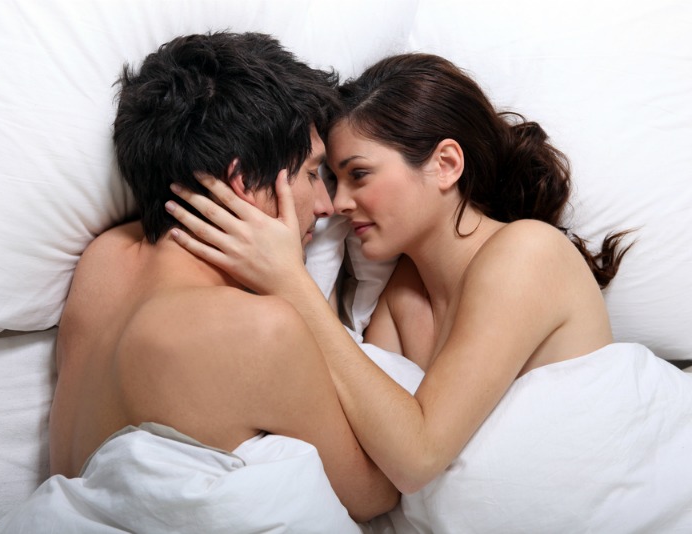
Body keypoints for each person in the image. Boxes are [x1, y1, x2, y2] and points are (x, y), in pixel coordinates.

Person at [166, 52, 692, 531]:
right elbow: (373, 450)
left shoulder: (527, 253)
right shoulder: (398, 300)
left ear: (445, 165)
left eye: (359, 175)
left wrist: (291, 283)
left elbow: (416, 458)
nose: (339, 203)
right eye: (330, 179)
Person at [47, 31, 398, 525]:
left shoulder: (101, 261)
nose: (324, 205)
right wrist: (293, 284)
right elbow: (374, 495)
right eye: (311, 173)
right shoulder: (259, 330)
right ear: (242, 182)